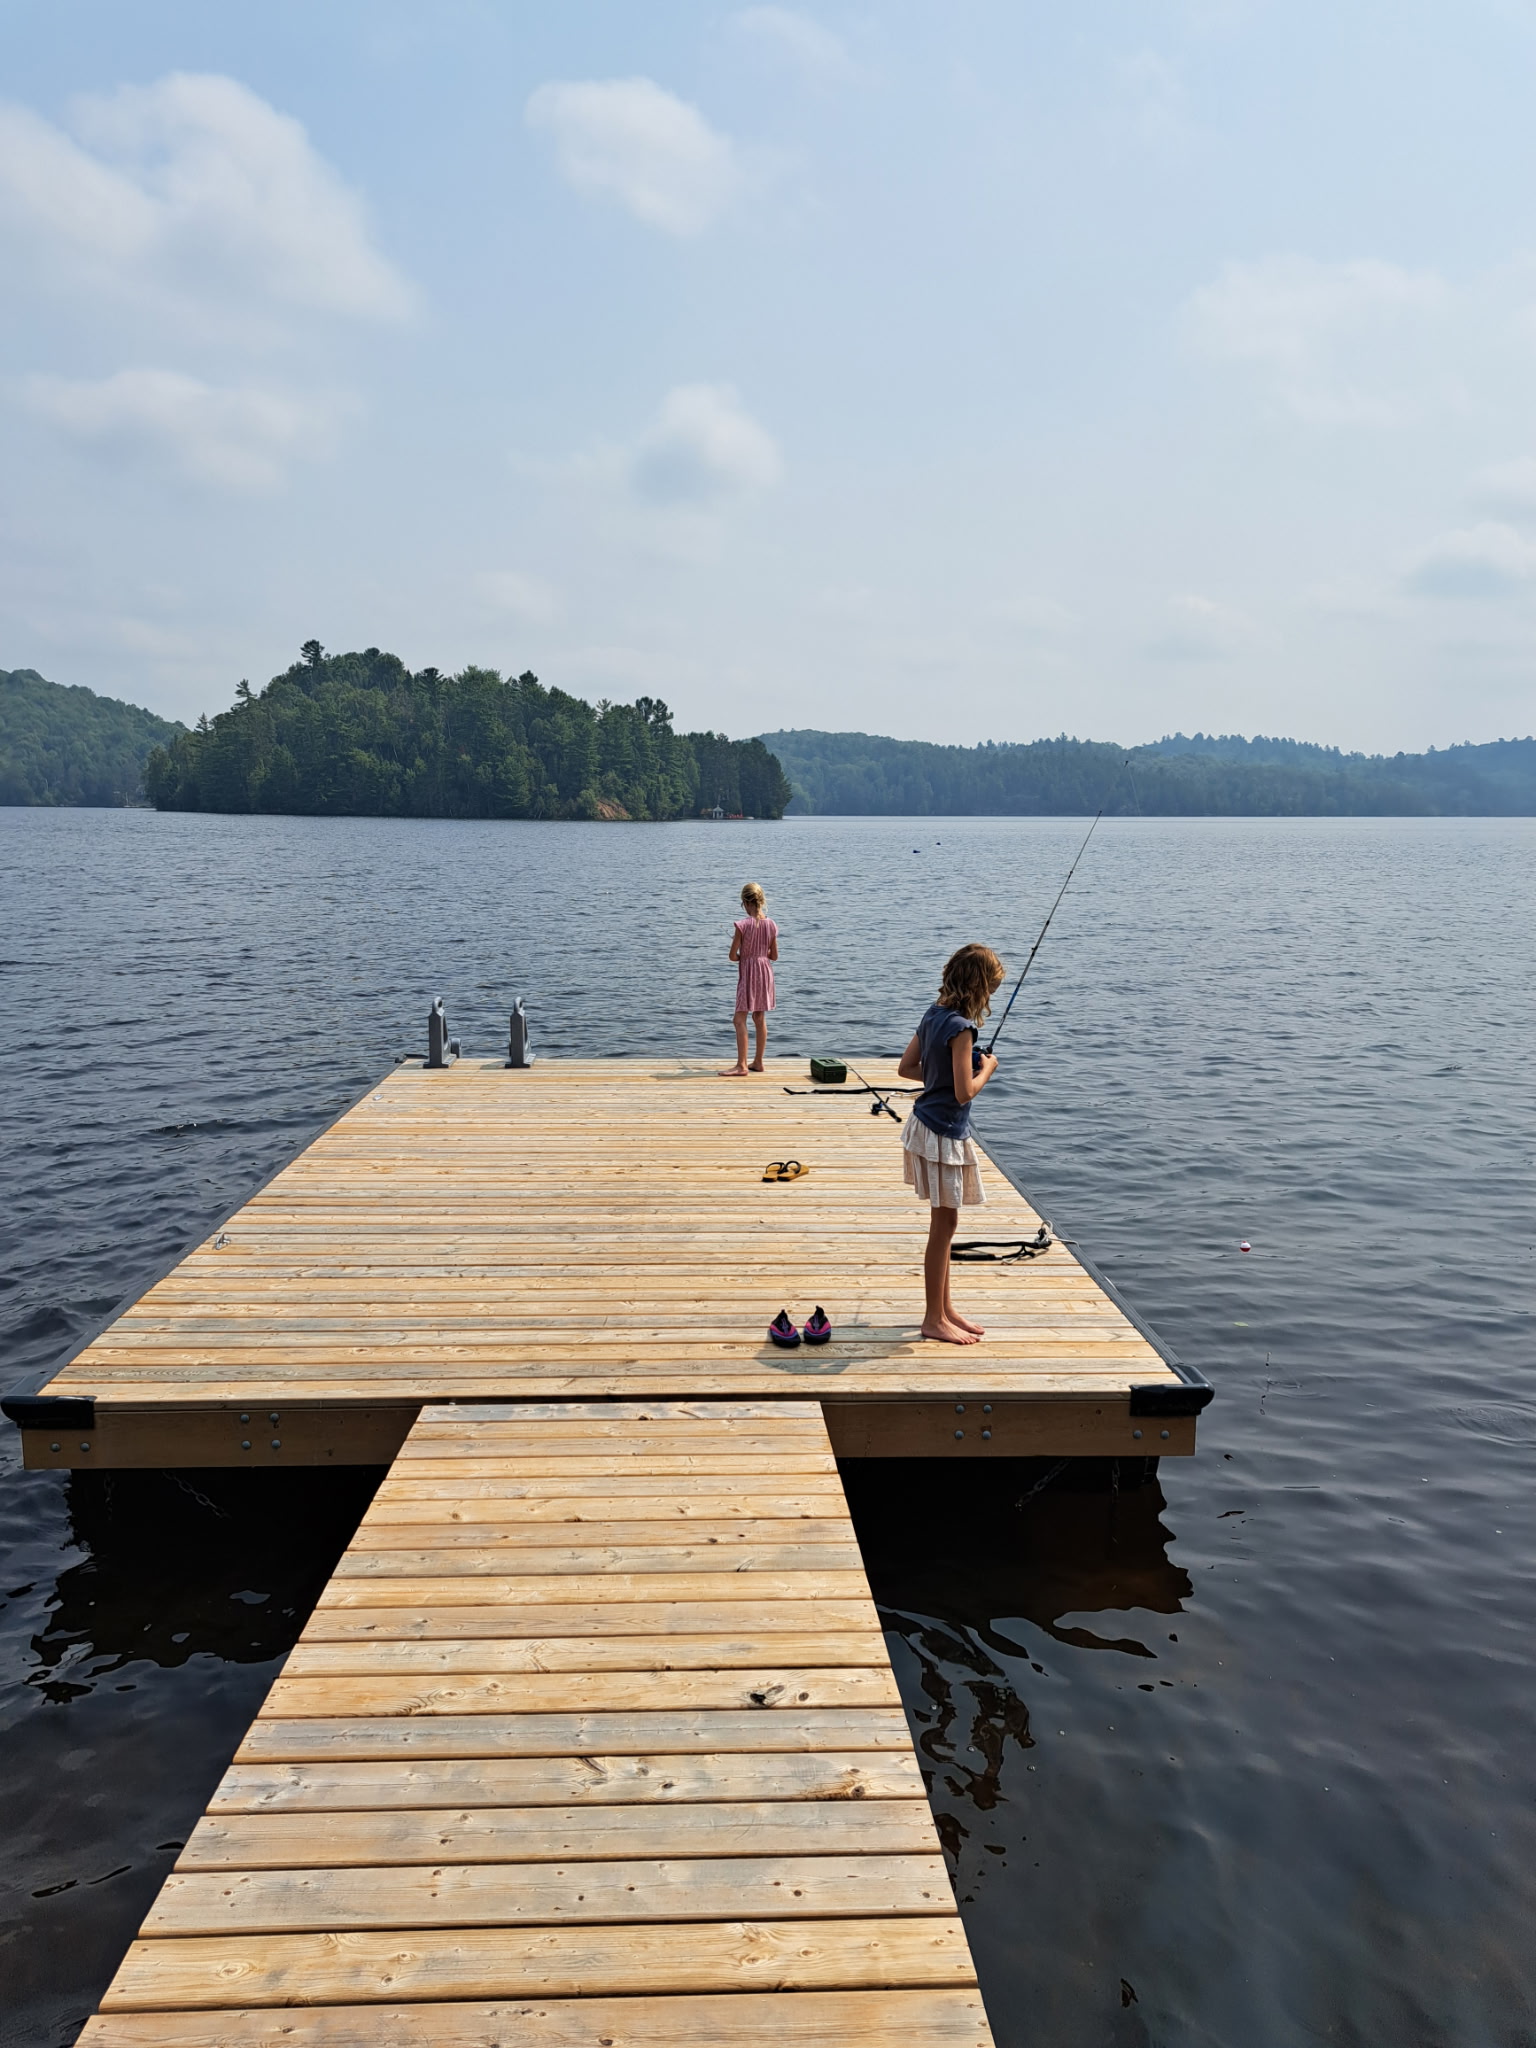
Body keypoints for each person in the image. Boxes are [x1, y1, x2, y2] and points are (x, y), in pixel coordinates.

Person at [896, 943, 1005, 1343]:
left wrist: (944, 1071)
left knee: (947, 1223)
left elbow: (907, 1067)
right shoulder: (962, 1028)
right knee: (942, 1228)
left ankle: (945, 1308)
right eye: (990, 990)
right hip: (942, 1131)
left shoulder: (934, 1014)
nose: (990, 998)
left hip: (926, 1124)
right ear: (979, 987)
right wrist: (987, 1068)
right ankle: (932, 1318)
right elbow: (963, 1093)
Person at [719, 882, 779, 1076]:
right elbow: (774, 956)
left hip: (749, 972)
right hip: (765, 971)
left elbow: (732, 956)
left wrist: (745, 957)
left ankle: (742, 1065)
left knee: (739, 1019)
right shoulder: (771, 924)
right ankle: (758, 1062)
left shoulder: (742, 925)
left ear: (745, 902)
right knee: (759, 1017)